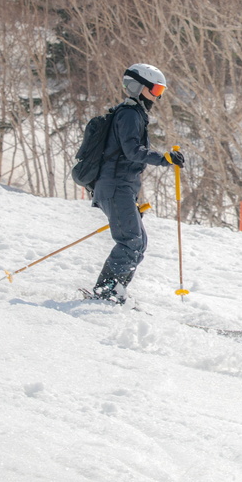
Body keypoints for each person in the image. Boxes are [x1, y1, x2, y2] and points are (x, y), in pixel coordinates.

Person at [89, 63, 183, 303]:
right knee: (131, 242)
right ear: (139, 87)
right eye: (156, 90)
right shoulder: (129, 114)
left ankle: (116, 291)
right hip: (115, 187)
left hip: (122, 188)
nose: (158, 97)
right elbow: (132, 151)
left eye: (161, 91)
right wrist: (164, 159)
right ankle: (106, 292)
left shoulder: (134, 114)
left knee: (138, 243)